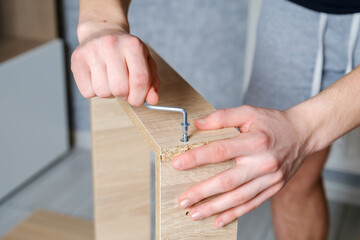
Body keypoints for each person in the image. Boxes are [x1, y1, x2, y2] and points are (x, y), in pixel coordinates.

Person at [71, 0, 360, 239]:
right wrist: (101, 20)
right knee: (291, 179)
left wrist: (303, 128)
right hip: (297, 9)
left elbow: (303, 130)